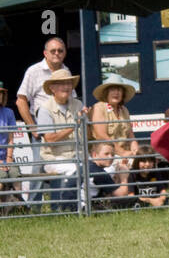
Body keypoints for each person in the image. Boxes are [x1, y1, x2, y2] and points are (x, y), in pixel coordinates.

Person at [35, 67, 82, 210]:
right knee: (75, 169)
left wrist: (87, 120)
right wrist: (74, 125)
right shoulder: (44, 109)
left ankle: (89, 205)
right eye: (62, 83)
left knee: (95, 168)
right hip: (53, 158)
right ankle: (62, 207)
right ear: (52, 88)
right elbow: (50, 139)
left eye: (69, 83)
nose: (67, 87)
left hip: (77, 155)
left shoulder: (78, 104)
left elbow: (87, 132)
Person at [16, 36, 75, 131]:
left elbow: (72, 98)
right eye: (53, 51)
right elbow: (21, 101)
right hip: (43, 127)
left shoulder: (66, 70)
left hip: (65, 126)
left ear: (65, 53)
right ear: (45, 53)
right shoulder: (34, 71)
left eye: (60, 51)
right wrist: (32, 128)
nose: (57, 53)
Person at [90, 74, 139, 160]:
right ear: (106, 92)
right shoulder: (99, 108)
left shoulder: (124, 110)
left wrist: (136, 152)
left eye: (119, 90)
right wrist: (122, 153)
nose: (116, 93)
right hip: (106, 156)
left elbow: (131, 135)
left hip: (125, 154)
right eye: (112, 89)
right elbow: (101, 136)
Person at [87, 141, 133, 210]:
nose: (110, 157)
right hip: (82, 208)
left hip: (74, 206)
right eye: (106, 154)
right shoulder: (98, 172)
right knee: (132, 201)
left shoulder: (89, 166)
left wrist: (117, 176)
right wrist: (124, 177)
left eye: (112, 154)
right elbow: (121, 196)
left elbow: (111, 192)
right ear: (94, 155)